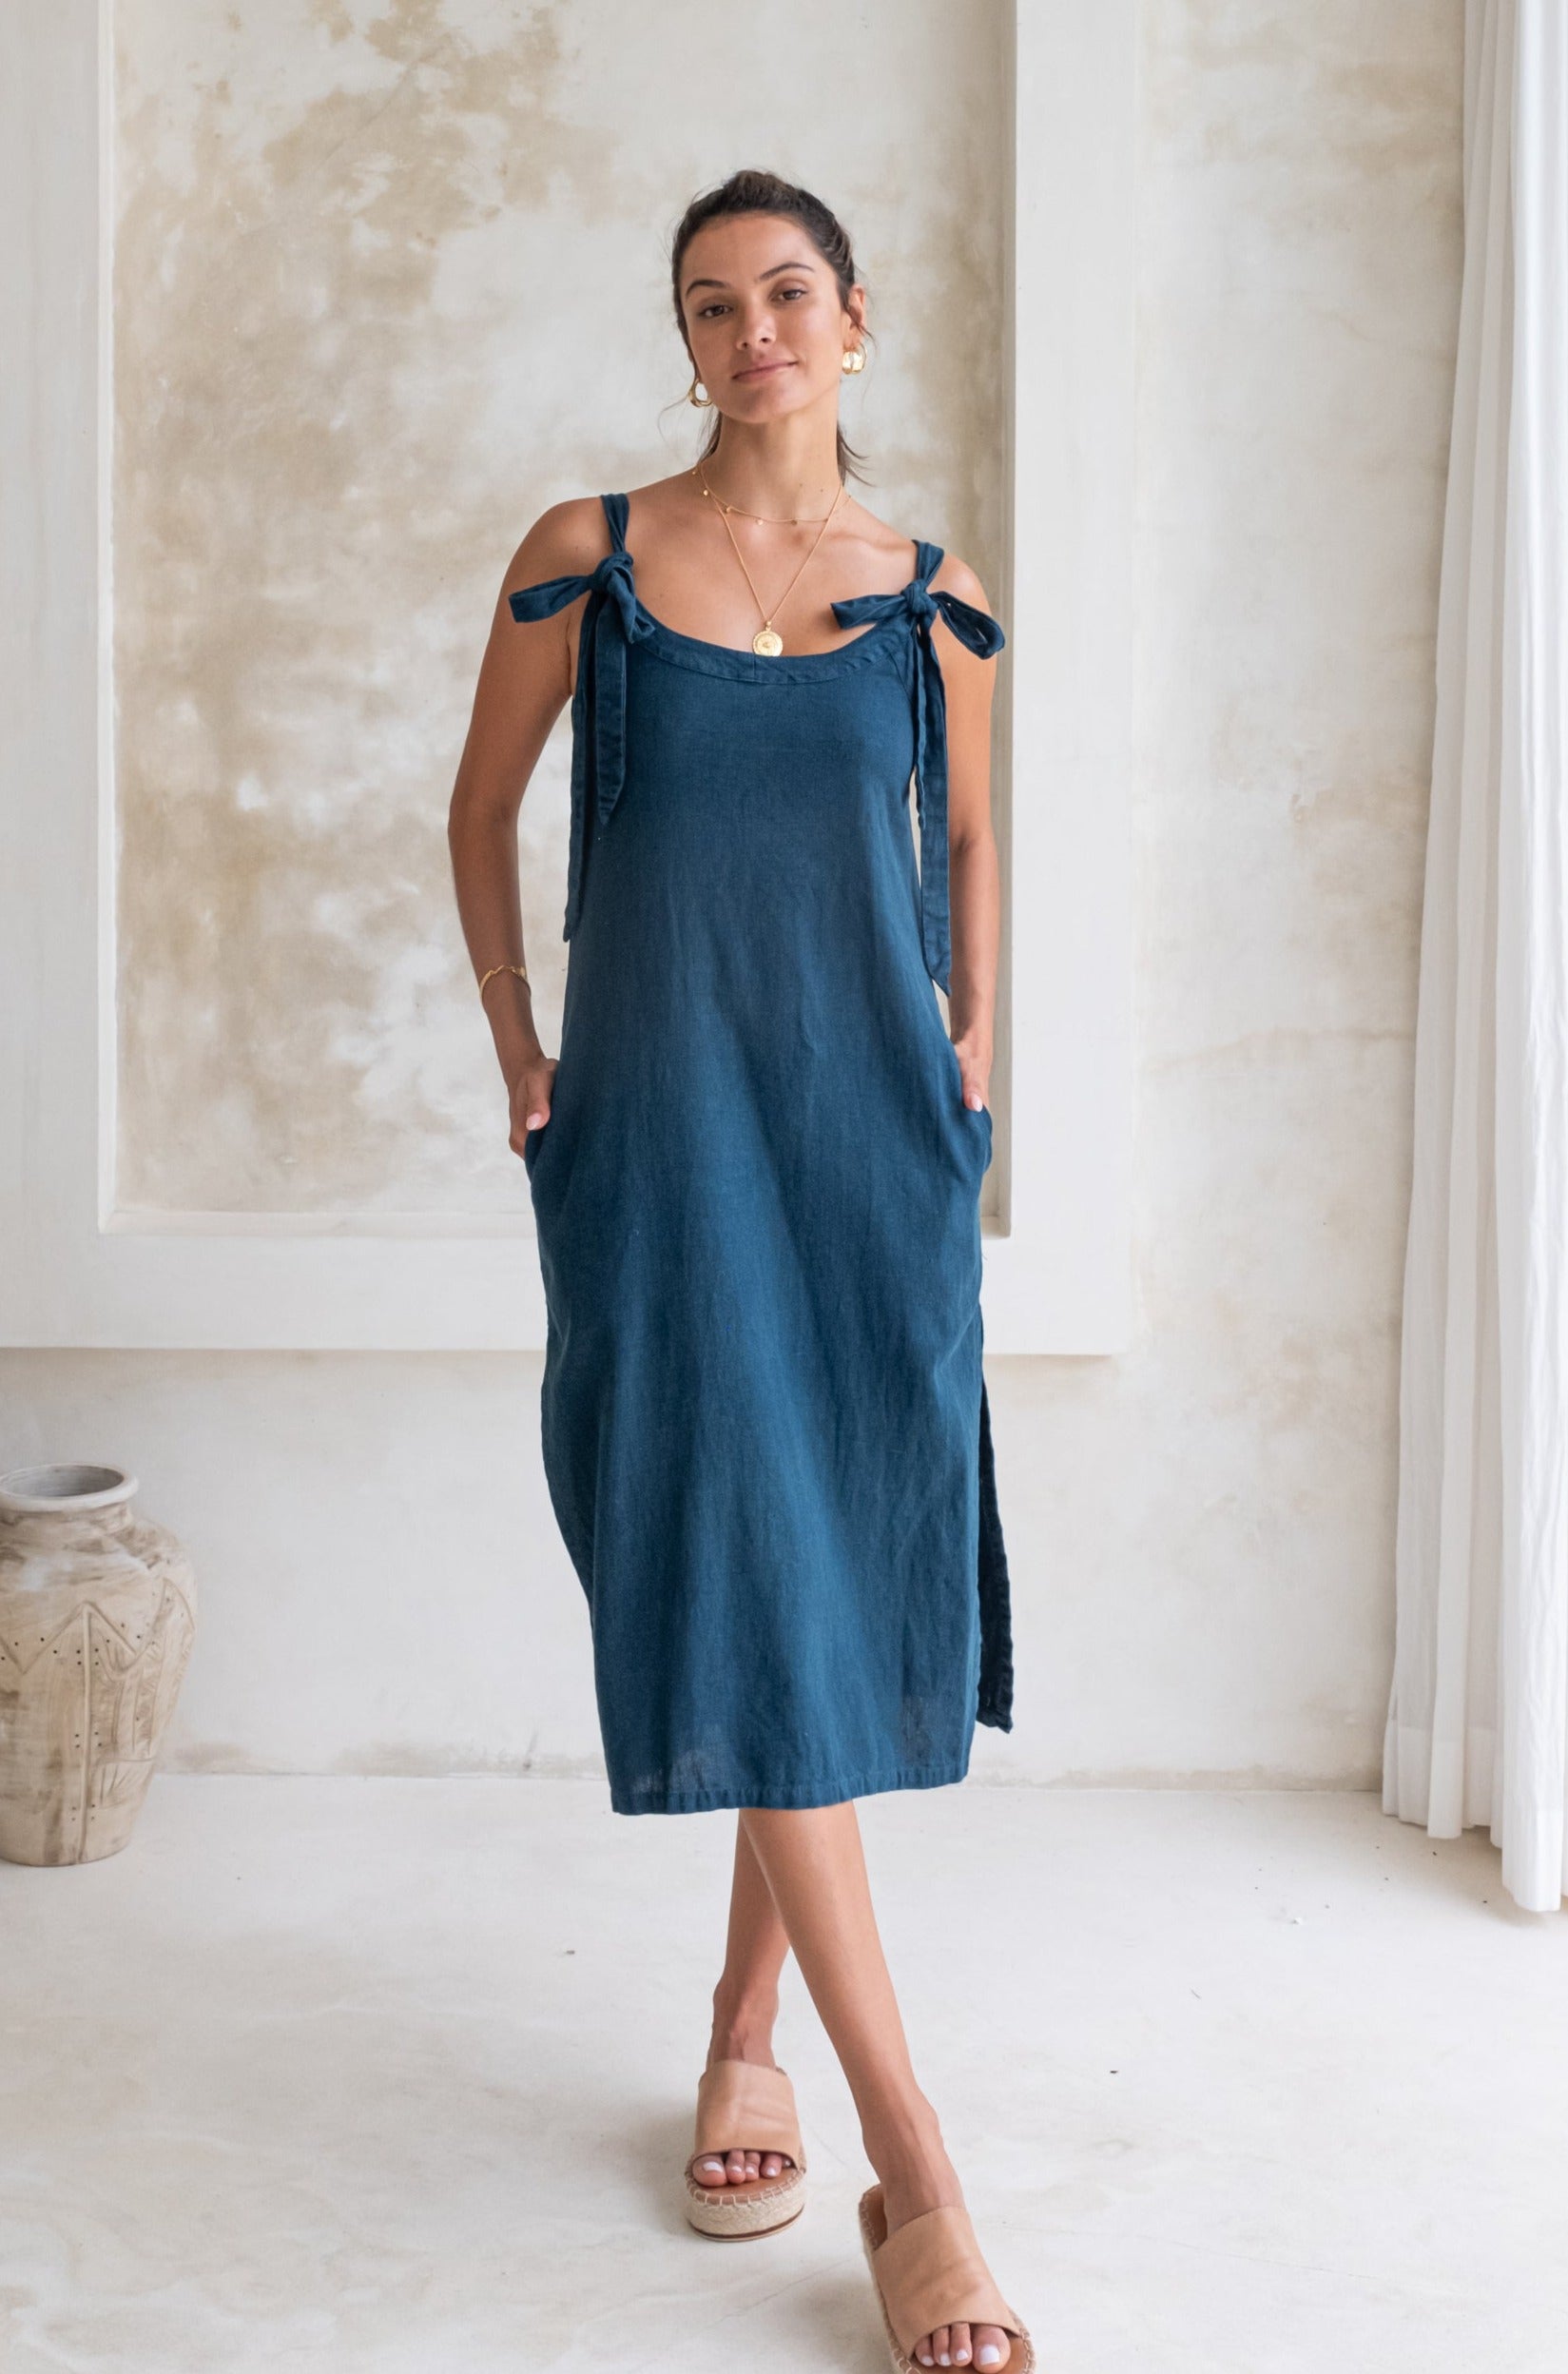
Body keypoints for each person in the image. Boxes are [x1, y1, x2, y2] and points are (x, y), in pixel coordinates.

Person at [447, 167, 1033, 2374]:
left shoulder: (935, 598)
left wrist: (977, 1047)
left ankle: (739, 2029)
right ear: (683, 344)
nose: (752, 330)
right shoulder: (584, 562)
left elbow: (970, 832)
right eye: (712, 304)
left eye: (787, 292)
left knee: (812, 1572)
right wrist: (521, 1040)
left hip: (871, 1141)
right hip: (662, 1140)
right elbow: (477, 806)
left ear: (854, 324)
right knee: (729, 1554)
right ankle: (925, 2172)